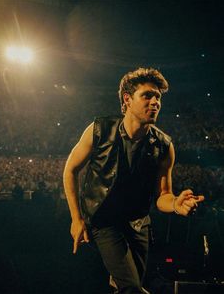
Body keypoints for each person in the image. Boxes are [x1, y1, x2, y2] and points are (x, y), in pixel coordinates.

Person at [63, 67, 204, 294]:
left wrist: (177, 204)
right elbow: (70, 170)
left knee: (129, 286)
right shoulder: (99, 129)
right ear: (127, 99)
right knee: (131, 288)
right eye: (147, 95)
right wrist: (76, 219)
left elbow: (163, 197)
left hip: (139, 224)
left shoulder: (164, 145)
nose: (155, 102)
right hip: (104, 220)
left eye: (158, 97)